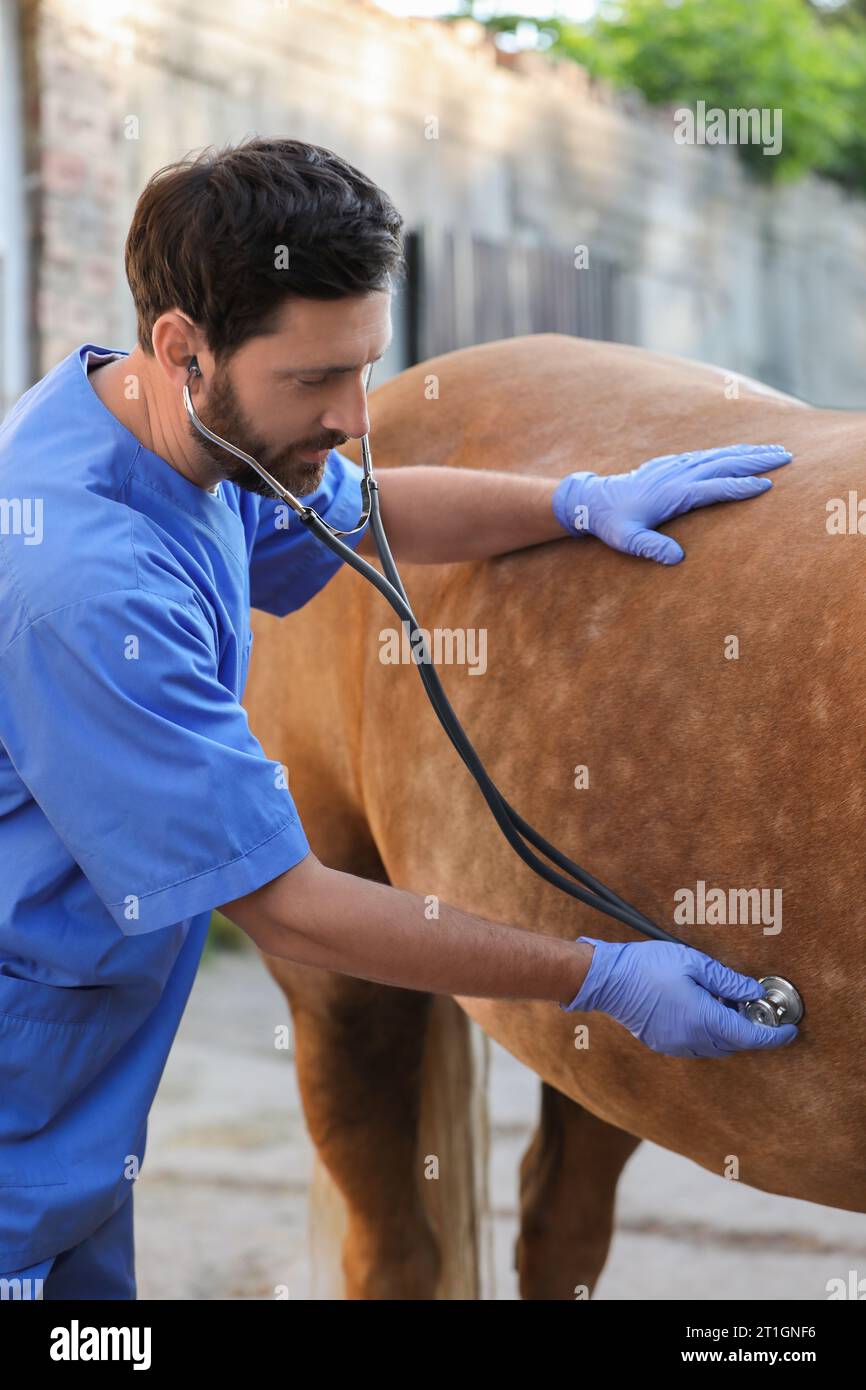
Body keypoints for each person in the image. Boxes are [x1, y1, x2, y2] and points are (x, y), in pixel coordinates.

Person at [0, 136, 797, 1301]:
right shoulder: (87, 579)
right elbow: (288, 906)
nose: (354, 415)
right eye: (316, 380)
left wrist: (573, 503)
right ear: (183, 347)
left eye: (364, 366)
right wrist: (597, 978)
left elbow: (360, 511)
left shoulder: (176, 435)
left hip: (75, 1120)